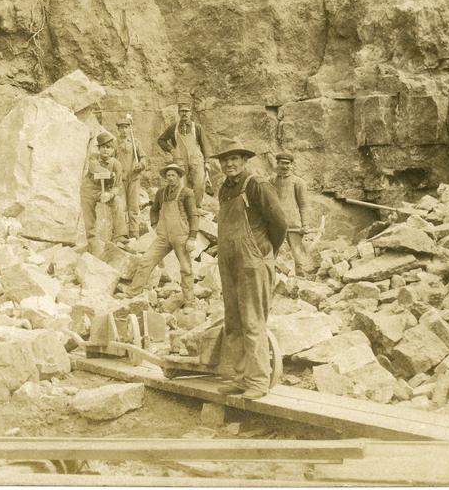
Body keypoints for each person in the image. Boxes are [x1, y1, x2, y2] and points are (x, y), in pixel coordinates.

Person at [210, 137, 287, 400]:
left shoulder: (256, 185)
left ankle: (258, 381)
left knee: (253, 321)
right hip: (229, 260)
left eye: (234, 158)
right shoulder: (225, 189)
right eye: (224, 159)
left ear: (244, 160)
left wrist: (265, 252)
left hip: (252, 260)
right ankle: (241, 378)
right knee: (234, 321)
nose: (229, 163)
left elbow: (279, 222)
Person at [128, 163, 199, 305]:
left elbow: (193, 215)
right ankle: (133, 292)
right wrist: (154, 224)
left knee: (186, 268)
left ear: (179, 177)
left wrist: (192, 237)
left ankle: (189, 301)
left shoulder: (187, 193)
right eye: (168, 175)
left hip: (181, 237)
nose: (171, 178)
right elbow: (154, 209)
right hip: (163, 237)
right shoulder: (161, 193)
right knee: (146, 260)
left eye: (173, 175)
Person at [157, 98, 210, 208]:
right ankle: (183, 208)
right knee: (181, 186)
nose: (184, 113)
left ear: (191, 113)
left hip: (197, 161)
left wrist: (207, 161)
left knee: (199, 185)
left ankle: (197, 207)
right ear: (179, 113)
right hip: (180, 162)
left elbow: (205, 146)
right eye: (182, 111)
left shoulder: (197, 128)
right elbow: (161, 140)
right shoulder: (173, 127)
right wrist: (171, 150)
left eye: (187, 111)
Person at [80, 131, 128, 248]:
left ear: (113, 150)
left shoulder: (116, 164)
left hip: (106, 191)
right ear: (99, 149)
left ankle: (120, 235)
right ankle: (91, 238)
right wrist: (109, 174)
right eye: (103, 147)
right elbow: (93, 168)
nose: (105, 150)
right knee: (87, 206)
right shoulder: (93, 158)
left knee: (118, 201)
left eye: (108, 147)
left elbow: (118, 186)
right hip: (90, 190)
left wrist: (110, 195)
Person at [270, 151, 313, 275]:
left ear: (291, 165)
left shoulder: (298, 182)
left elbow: (304, 205)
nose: (285, 166)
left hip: (293, 226)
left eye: (287, 164)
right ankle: (272, 278)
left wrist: (305, 224)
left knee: (298, 255)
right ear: (277, 164)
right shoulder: (271, 181)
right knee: (271, 253)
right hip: (275, 224)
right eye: (282, 163)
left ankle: (302, 279)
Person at [115, 116, 146, 239]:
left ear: (129, 129)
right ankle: (121, 233)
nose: (124, 130)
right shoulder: (114, 142)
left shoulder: (135, 142)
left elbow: (143, 157)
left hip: (133, 177)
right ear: (118, 129)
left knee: (133, 206)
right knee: (121, 206)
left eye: (126, 127)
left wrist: (141, 165)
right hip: (120, 178)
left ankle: (134, 232)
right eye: (121, 128)